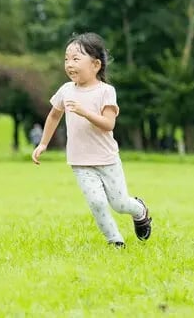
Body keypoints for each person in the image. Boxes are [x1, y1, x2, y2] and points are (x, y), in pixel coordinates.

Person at [31, 32, 152, 247]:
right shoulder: (66, 90)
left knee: (120, 204)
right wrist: (43, 143)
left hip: (107, 159)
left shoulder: (106, 91)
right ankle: (115, 241)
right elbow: (54, 115)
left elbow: (108, 124)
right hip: (80, 161)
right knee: (96, 202)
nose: (69, 64)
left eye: (76, 59)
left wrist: (85, 112)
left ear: (96, 65)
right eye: (66, 59)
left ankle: (140, 211)